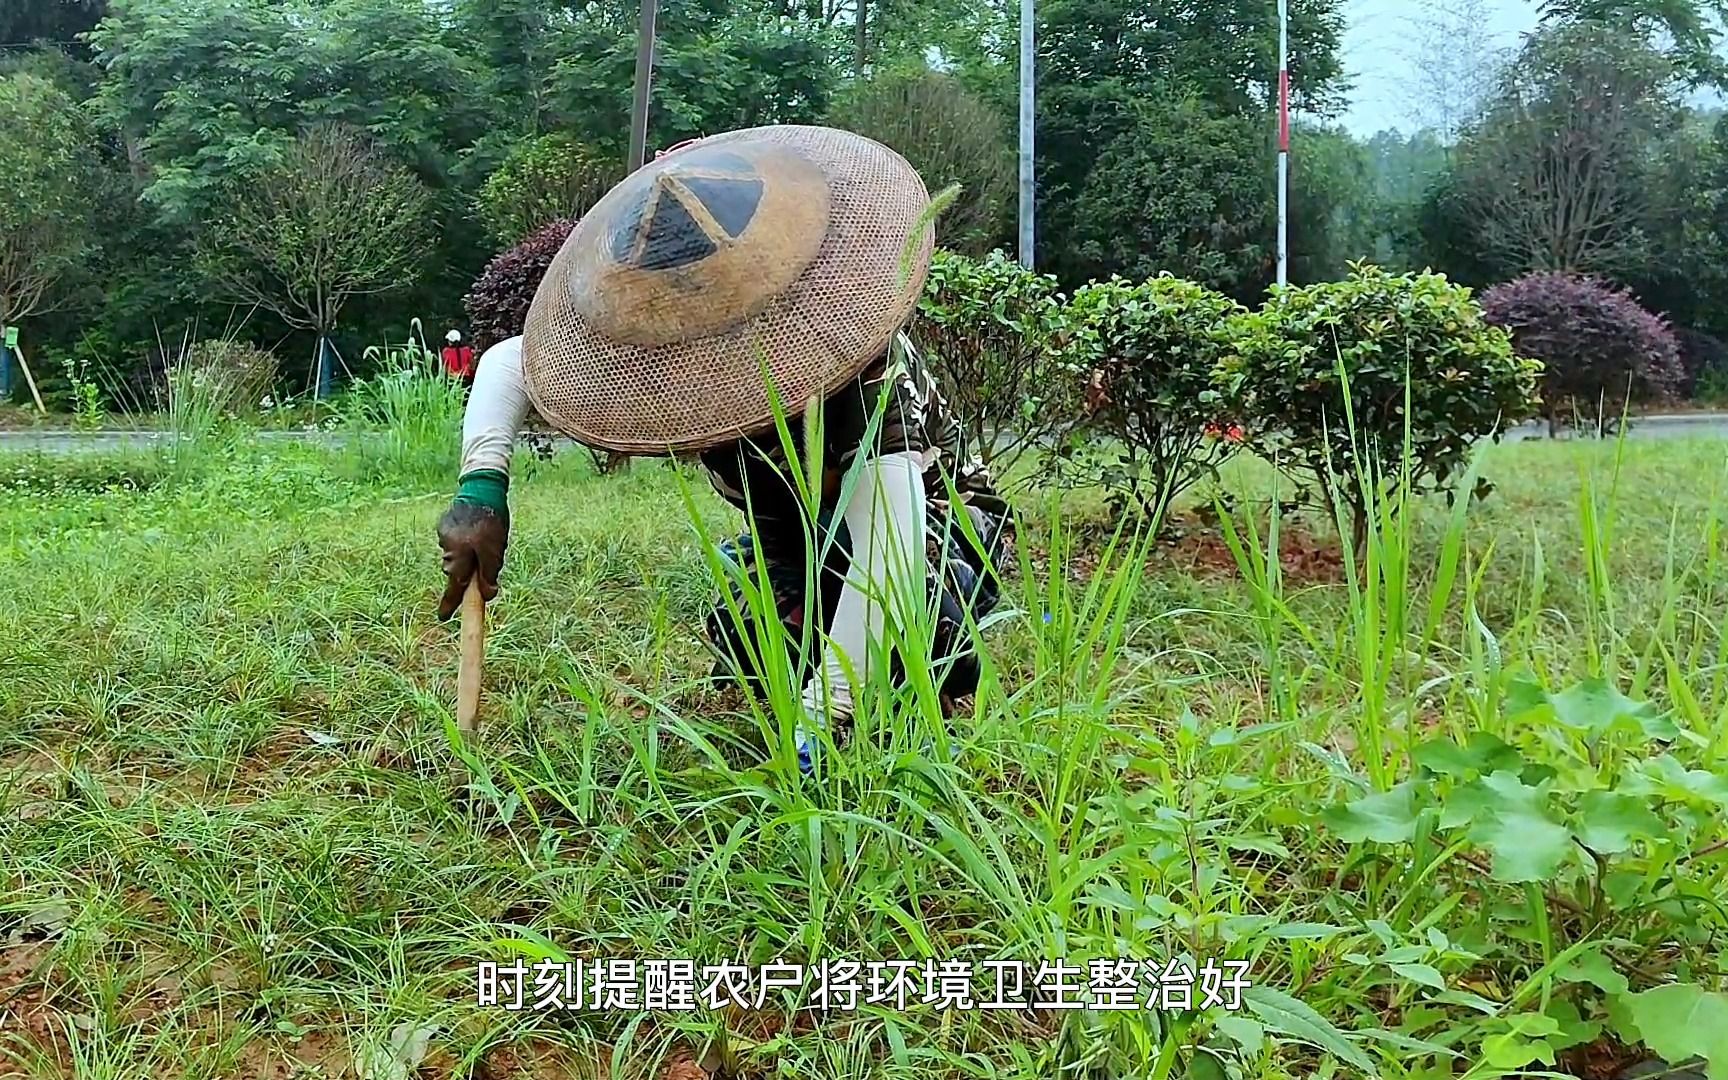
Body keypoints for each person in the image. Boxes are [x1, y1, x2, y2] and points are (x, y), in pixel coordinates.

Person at [434, 125, 1010, 773]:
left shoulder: (859, 367)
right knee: (748, 618)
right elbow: (517, 362)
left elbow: (891, 551)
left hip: (940, 533)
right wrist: (481, 488)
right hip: (801, 542)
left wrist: (821, 722)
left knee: (926, 616)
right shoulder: (674, 341)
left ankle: (910, 687)